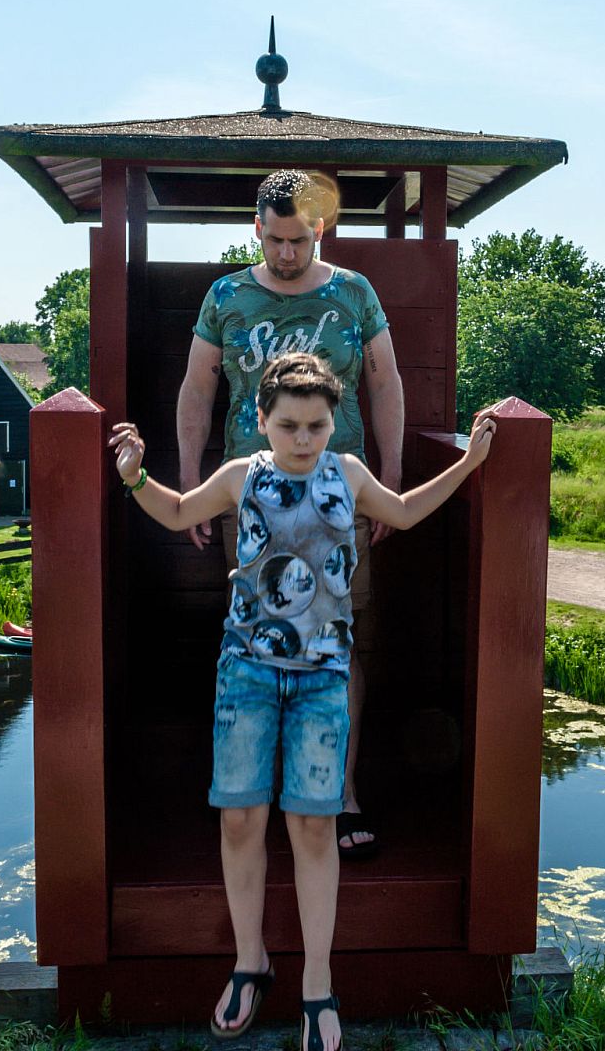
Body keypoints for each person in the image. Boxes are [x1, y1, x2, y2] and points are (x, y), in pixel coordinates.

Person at [111, 353, 497, 1051]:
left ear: (332, 423)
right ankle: (249, 962)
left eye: (316, 425)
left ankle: (318, 982)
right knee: (239, 820)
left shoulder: (346, 475)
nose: (302, 439)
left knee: (315, 828)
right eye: (287, 425)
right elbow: (173, 512)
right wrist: (134, 474)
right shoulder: (241, 476)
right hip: (247, 674)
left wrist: (470, 463)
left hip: (323, 676)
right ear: (260, 420)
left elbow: (405, 513)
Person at [177, 169, 403, 858]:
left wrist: (391, 476)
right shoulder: (227, 296)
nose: (284, 253)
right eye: (273, 240)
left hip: (342, 493)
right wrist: (191, 479)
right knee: (257, 644)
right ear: (257, 230)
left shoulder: (354, 293)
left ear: (319, 232)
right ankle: (265, 792)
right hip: (253, 499)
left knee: (343, 644)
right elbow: (198, 387)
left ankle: (338, 789)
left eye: (298, 240)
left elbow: (384, 381)